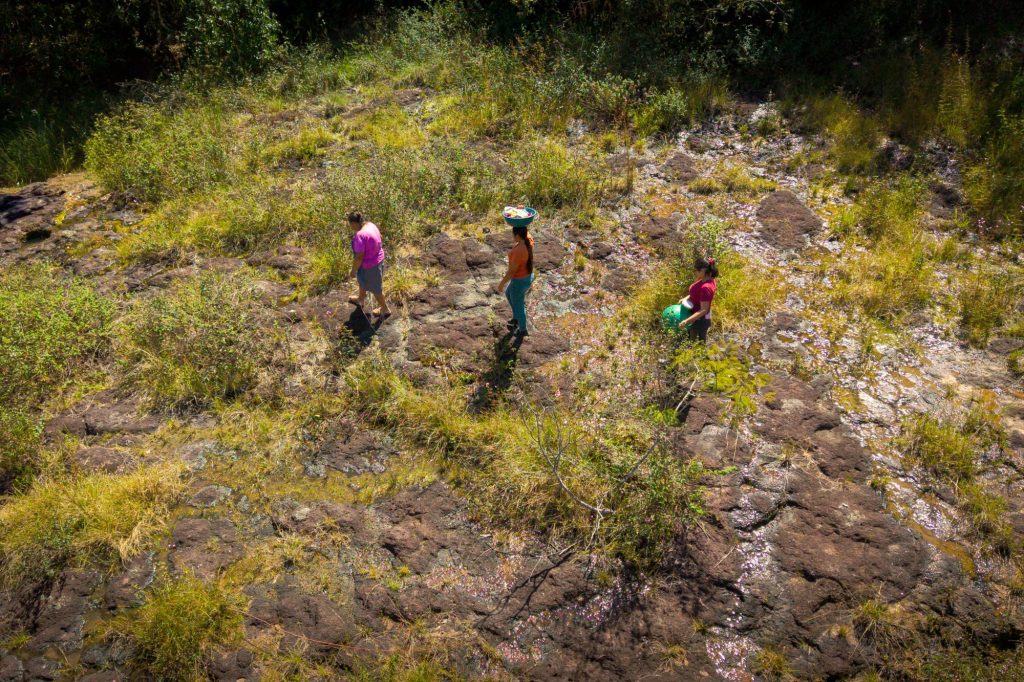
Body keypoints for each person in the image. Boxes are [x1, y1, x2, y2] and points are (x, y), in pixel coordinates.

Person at [346, 212, 391, 320]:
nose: (351, 227)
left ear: (353, 224)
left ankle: (385, 309)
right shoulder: (371, 225)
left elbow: (359, 257)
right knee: (362, 280)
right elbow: (380, 237)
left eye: (351, 225)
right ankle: (360, 299)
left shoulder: (360, 235)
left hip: (370, 265)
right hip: (377, 259)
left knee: (376, 289)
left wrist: (353, 271)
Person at [495, 223, 534, 338]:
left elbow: (511, 271)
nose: (512, 236)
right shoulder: (528, 239)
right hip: (526, 277)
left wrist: (501, 284)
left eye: (513, 234)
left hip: (520, 281)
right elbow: (525, 228)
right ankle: (517, 317)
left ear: (517, 235)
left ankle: (522, 330)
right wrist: (520, 217)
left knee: (518, 305)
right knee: (509, 294)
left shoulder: (518, 251)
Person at [678, 256, 718, 341]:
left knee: (699, 342)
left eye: (695, 270)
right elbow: (696, 293)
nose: (694, 272)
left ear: (703, 270)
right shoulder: (705, 278)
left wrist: (686, 321)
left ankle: (699, 353)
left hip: (700, 320)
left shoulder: (706, 287)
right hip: (694, 315)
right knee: (692, 338)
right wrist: (686, 298)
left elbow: (704, 310)